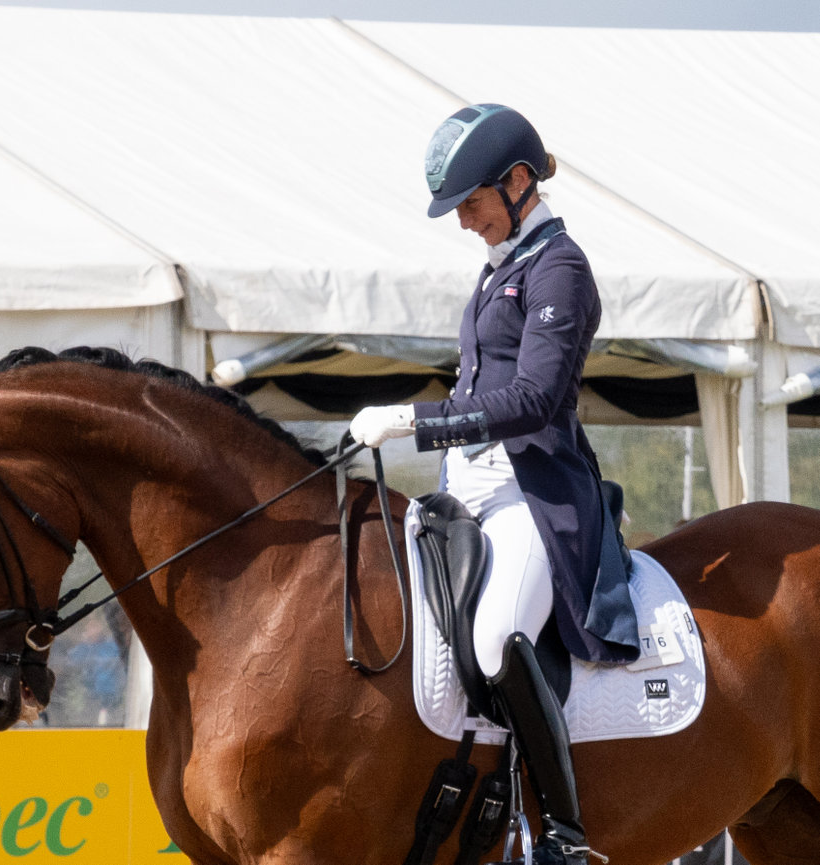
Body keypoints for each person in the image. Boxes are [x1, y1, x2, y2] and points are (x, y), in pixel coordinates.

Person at [350, 104, 640, 865]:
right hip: (465, 489)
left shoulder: (559, 268)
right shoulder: (499, 268)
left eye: (470, 202)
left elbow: (534, 400)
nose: (463, 221)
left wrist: (415, 419)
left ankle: (566, 835)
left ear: (516, 182)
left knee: (495, 639)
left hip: (529, 494)